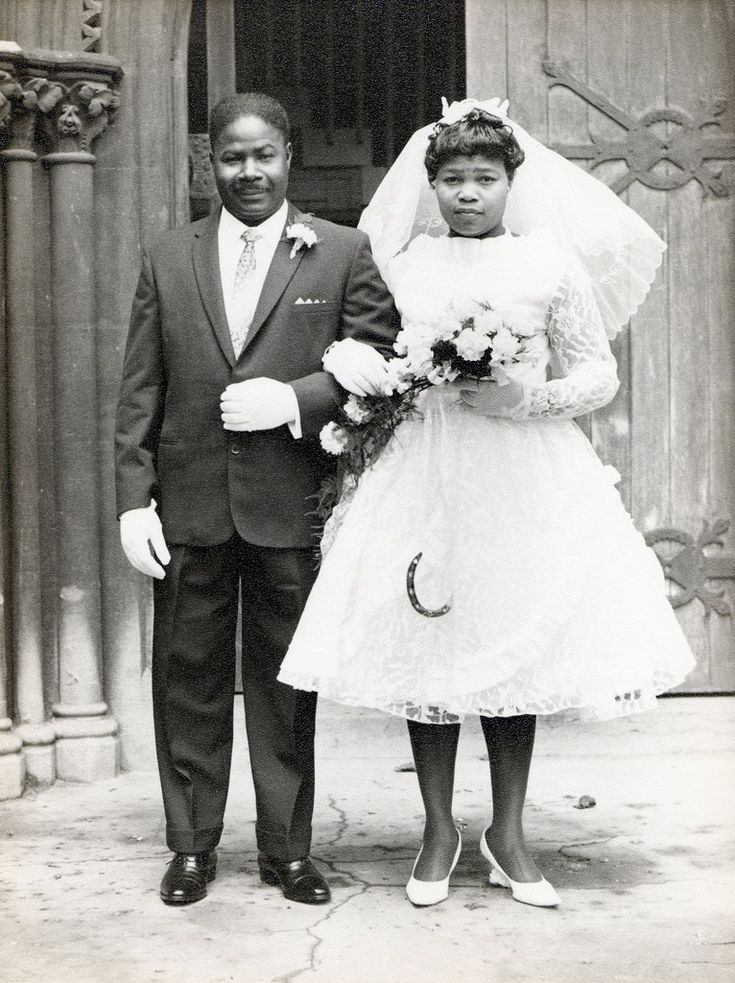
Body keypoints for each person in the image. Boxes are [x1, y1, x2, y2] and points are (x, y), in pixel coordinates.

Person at [278, 99, 695, 908]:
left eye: (484, 178)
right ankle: (438, 827)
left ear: (511, 182)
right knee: (429, 642)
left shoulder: (547, 265)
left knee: (510, 640)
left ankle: (507, 830)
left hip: (520, 469)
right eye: (453, 179)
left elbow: (595, 375)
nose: (468, 193)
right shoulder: (404, 265)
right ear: (429, 186)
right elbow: (380, 358)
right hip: (423, 467)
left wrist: (520, 399)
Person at [115, 92, 398, 906]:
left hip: (291, 505)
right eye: (231, 158)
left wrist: (297, 400)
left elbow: (384, 367)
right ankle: (192, 846)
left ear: (288, 157)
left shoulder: (341, 251)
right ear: (210, 162)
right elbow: (141, 388)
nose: (247, 172)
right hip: (191, 507)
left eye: (262, 155)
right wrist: (136, 499)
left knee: (284, 685)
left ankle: (287, 850)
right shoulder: (168, 255)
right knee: (188, 679)